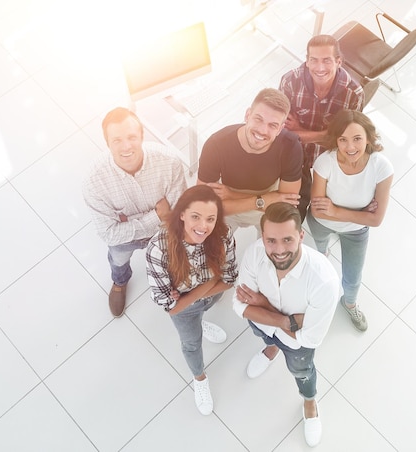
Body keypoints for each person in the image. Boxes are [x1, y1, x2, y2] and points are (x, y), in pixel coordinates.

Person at [233, 202, 340, 447]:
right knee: (266, 335)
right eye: (271, 240)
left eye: (288, 240)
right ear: (263, 237)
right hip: (270, 327)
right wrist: (287, 320)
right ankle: (272, 348)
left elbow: (308, 340)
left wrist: (263, 305)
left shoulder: (324, 282)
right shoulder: (254, 253)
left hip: (297, 344)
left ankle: (309, 401)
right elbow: (239, 306)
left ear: (301, 236)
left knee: (302, 372)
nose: (279, 250)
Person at [83, 107, 187, 317]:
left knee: (171, 258)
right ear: (107, 143)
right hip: (128, 239)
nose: (126, 146)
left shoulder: (169, 162)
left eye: (131, 137)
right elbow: (109, 234)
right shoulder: (94, 181)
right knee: (118, 259)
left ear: (142, 135)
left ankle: (171, 280)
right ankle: (120, 282)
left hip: (164, 233)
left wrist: (127, 222)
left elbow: (178, 212)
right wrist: (157, 215)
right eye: (117, 140)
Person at [146, 185, 238, 415]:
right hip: (188, 309)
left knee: (202, 308)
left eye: (210, 219)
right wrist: (209, 283)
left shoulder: (223, 235)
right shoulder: (159, 248)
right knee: (191, 344)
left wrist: (189, 295)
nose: (203, 226)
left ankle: (201, 321)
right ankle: (199, 378)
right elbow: (170, 308)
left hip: (209, 297)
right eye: (196, 216)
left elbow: (230, 279)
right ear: (182, 214)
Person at [308, 110, 393, 332]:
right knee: (320, 246)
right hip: (322, 224)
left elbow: (375, 220)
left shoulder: (381, 167)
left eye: (357, 139)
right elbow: (318, 212)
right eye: (343, 140)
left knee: (353, 277)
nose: (350, 147)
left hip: (356, 232)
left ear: (368, 138)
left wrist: (335, 209)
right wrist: (360, 212)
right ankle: (324, 251)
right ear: (336, 140)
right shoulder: (324, 162)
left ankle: (349, 303)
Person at [279, 34, 364, 221]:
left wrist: (299, 129)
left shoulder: (353, 94)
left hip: (331, 154)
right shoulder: (290, 82)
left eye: (327, 61)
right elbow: (283, 131)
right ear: (307, 61)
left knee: (331, 205)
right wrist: (327, 133)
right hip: (294, 152)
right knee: (292, 206)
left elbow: (344, 139)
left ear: (338, 61)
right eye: (314, 60)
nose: (319, 68)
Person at [197, 88, 302, 233]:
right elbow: (205, 206)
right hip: (230, 212)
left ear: (280, 129)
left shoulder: (291, 147)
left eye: (273, 125)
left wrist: (233, 195)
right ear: (247, 115)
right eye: (258, 119)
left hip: (267, 212)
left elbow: (285, 205)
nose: (263, 131)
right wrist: (262, 201)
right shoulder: (216, 144)